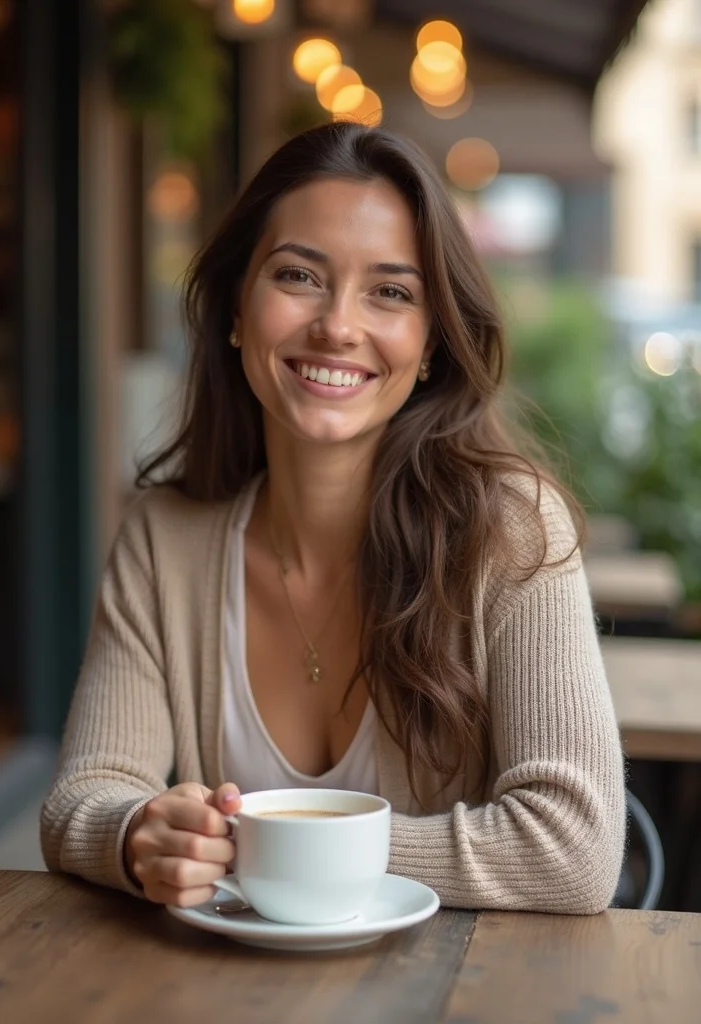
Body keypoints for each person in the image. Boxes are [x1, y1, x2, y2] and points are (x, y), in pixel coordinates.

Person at [40, 121, 625, 914]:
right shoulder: (164, 539)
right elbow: (82, 797)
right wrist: (139, 833)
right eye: (298, 276)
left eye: (391, 292)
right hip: (221, 980)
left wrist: (274, 849)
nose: (338, 326)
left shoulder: (511, 531)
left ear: (429, 343)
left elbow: (574, 849)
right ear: (237, 310)